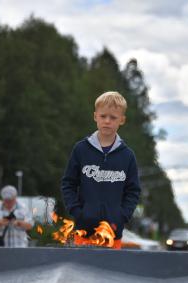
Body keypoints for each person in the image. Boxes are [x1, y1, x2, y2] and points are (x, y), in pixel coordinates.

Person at [61, 91, 141, 249]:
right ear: (95, 116)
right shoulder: (81, 149)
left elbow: (133, 191)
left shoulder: (127, 155)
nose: (107, 121)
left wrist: (122, 215)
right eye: (103, 116)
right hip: (84, 233)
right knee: (81, 272)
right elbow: (68, 184)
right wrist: (78, 212)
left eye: (113, 118)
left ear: (122, 120)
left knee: (110, 273)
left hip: (113, 232)